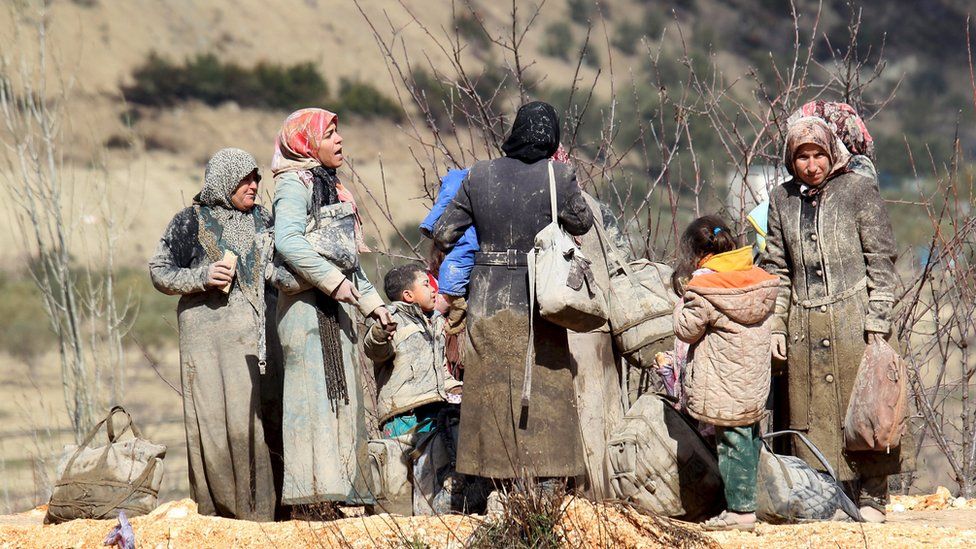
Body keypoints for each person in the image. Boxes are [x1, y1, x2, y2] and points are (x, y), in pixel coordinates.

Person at [761, 115, 913, 523]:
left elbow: (880, 260)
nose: (811, 165)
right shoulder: (781, 200)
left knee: (868, 409)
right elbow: (776, 268)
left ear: (832, 153)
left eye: (818, 154)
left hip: (855, 323)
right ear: (791, 161)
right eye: (802, 157)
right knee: (814, 418)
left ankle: (873, 499)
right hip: (804, 328)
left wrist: (878, 320)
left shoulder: (859, 191)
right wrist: (777, 324)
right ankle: (828, 498)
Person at [432, 101, 593, 485]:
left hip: (488, 295)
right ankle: (549, 477)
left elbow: (443, 233)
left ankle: (492, 479)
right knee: (546, 380)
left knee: (489, 383)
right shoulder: (559, 175)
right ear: (551, 136)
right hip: (540, 295)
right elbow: (583, 222)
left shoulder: (478, 174)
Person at [270, 108, 394, 512]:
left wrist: (374, 305)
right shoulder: (293, 184)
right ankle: (311, 499)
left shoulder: (333, 187)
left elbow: (348, 262)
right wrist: (332, 281)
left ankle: (340, 492)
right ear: (307, 143)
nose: (339, 141)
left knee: (342, 400)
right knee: (311, 403)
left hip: (335, 308)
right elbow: (287, 240)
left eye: (339, 132)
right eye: (330, 134)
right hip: (305, 310)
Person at [149, 147, 279, 521]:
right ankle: (219, 514)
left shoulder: (265, 220)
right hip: (206, 341)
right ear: (224, 180)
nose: (255, 185)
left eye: (257, 178)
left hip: (258, 339)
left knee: (258, 419)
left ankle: (264, 512)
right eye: (246, 178)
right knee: (213, 420)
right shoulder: (189, 221)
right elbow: (159, 270)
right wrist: (200, 277)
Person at [671, 215, 779, 531]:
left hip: (722, 380)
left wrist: (679, 304)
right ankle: (753, 501)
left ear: (694, 253)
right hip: (753, 379)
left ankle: (740, 512)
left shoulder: (703, 287)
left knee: (730, 443)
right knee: (748, 439)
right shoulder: (755, 276)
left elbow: (686, 330)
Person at [364, 264, 464, 515]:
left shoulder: (435, 323)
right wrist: (379, 333)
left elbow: (441, 371)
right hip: (403, 416)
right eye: (426, 285)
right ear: (408, 295)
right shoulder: (390, 318)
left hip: (434, 411)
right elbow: (375, 349)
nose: (433, 289)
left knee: (429, 485)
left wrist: (459, 388)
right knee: (399, 491)